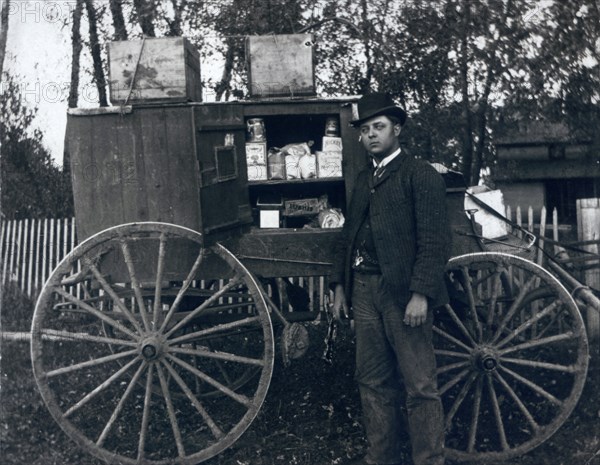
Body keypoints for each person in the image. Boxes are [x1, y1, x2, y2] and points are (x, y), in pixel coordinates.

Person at [331, 92, 450, 465]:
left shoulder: (420, 175)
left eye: (378, 127)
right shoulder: (366, 178)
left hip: (402, 294)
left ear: (396, 130)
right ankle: (379, 459)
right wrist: (339, 286)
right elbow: (349, 235)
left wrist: (421, 294)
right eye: (365, 130)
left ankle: (428, 461)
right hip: (364, 291)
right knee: (372, 382)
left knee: (420, 387)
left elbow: (434, 241)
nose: (371, 136)